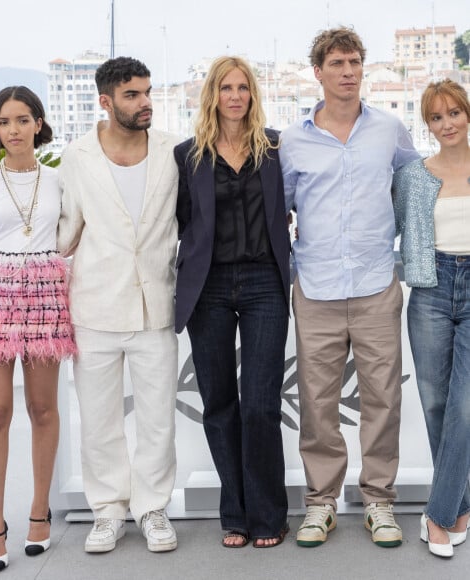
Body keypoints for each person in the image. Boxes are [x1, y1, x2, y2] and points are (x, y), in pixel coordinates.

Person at [279, 27, 419, 548]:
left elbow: (412, 190)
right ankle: (321, 504)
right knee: (318, 402)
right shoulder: (292, 141)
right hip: (315, 288)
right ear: (317, 72)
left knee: (383, 398)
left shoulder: (389, 130)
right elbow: (281, 210)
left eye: (355, 61)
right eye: (337, 62)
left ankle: (380, 501)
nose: (348, 71)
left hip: (376, 283)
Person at [57, 57, 180, 554]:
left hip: (156, 305)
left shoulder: (175, 151)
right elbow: (66, 230)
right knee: (100, 419)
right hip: (94, 307)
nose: (145, 102)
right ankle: (107, 511)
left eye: (148, 92)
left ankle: (152, 509)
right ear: (106, 102)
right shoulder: (77, 156)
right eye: (132, 95)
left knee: (157, 420)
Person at [0, 86, 77, 573]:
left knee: (44, 409)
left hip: (46, 301)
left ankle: (39, 511)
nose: (14, 130)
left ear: (39, 124)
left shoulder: (59, 181)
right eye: (5, 121)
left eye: (23, 120)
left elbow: (75, 234)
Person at [174, 56, 291, 549]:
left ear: (253, 95)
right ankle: (235, 513)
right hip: (210, 288)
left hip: (265, 281)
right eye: (227, 87)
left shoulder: (276, 149)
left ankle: (269, 515)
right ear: (213, 95)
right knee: (219, 402)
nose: (236, 96)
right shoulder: (188, 156)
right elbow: (180, 221)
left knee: (261, 405)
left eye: (244, 87)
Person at [393, 79, 470, 558]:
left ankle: (437, 515)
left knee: (465, 405)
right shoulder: (414, 175)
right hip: (431, 288)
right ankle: (461, 505)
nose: (447, 124)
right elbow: (396, 228)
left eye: (455, 113)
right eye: (437, 118)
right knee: (436, 402)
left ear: (468, 113)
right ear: (428, 124)